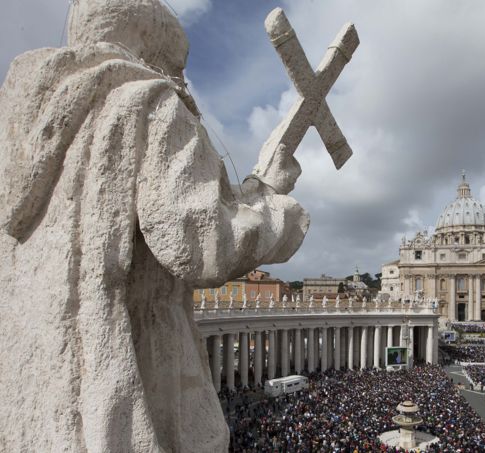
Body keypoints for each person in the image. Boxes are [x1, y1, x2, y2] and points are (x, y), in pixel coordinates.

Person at [0, 1, 308, 451]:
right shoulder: (148, 102)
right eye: (176, 65)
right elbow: (203, 243)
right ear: (149, 47)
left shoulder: (16, 129)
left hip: (36, 396)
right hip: (131, 378)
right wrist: (273, 203)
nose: (182, 81)